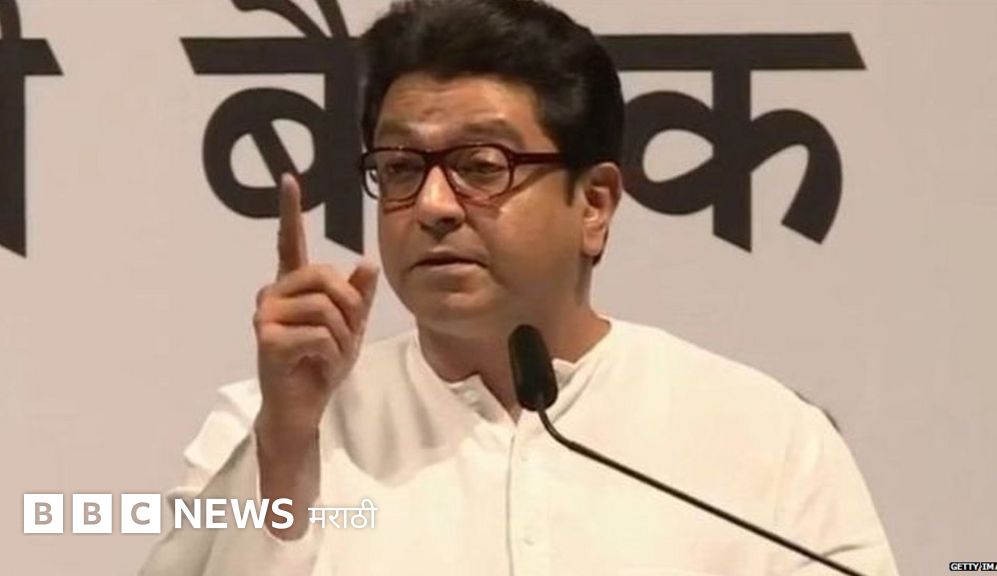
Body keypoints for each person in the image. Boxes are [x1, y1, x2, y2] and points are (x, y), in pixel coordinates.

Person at [141, 0, 899, 574]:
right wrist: (284, 448)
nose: (433, 206)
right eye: (401, 169)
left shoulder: (764, 438)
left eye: (482, 167)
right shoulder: (269, 424)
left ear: (594, 205)